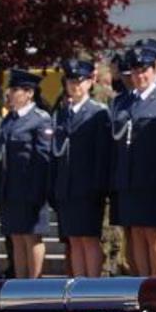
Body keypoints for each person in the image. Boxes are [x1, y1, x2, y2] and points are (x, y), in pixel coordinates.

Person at [108, 48, 156, 278]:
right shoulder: (123, 102)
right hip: (128, 178)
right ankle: (142, 280)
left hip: (154, 178)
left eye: (144, 71)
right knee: (136, 232)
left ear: (153, 70)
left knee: (154, 232)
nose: (140, 76)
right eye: (135, 72)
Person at [52, 60, 110, 278]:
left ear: (89, 82)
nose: (75, 86)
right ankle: (79, 285)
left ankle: (91, 285)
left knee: (88, 238)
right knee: (74, 239)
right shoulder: (62, 113)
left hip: (87, 186)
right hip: (66, 186)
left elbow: (102, 154)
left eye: (80, 81)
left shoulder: (98, 112)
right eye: (71, 81)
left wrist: (98, 185)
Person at [0, 69, 54, 279]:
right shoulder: (9, 120)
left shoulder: (40, 119)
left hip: (30, 188)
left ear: (29, 93)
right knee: (17, 238)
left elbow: (43, 157)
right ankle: (20, 283)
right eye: (10, 89)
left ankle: (35, 284)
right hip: (10, 188)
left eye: (15, 90)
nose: (10, 94)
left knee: (32, 237)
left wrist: (38, 190)